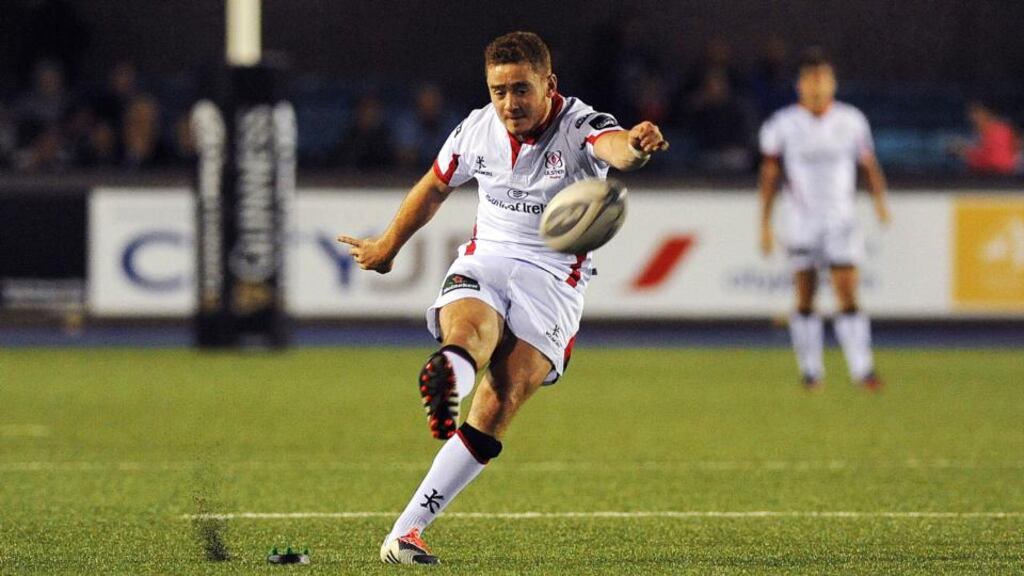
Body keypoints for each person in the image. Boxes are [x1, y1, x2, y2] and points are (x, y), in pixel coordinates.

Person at [337, 31, 668, 565]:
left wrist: (635, 145)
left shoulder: (580, 124)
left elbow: (617, 149)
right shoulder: (476, 129)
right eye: (498, 91)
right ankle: (449, 375)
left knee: (498, 405)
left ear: (548, 84)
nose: (509, 103)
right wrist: (386, 245)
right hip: (486, 259)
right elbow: (435, 185)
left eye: (520, 90)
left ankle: (404, 534)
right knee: (469, 332)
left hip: (554, 280)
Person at [758, 48, 890, 391]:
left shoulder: (851, 120)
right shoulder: (782, 124)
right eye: (811, 80)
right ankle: (811, 371)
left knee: (847, 292)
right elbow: (770, 177)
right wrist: (765, 224)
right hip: (801, 220)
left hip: (841, 221)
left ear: (832, 83)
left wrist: (880, 203)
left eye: (823, 79)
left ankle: (863, 369)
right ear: (800, 84)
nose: (817, 87)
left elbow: (868, 165)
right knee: (805, 296)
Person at [951, 101, 1020, 175]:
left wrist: (966, 155)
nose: (972, 117)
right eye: (971, 113)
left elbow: (999, 164)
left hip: (1000, 182)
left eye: (976, 113)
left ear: (988, 113)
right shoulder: (976, 134)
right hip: (978, 180)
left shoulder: (999, 132)